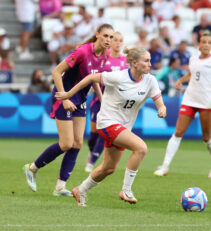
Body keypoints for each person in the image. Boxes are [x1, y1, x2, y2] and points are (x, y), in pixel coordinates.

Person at [55, 46, 167, 206]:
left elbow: (159, 103)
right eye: (146, 60)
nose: (150, 64)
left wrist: (162, 109)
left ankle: (80, 190)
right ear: (134, 63)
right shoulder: (118, 76)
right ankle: (126, 190)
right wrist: (68, 94)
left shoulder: (151, 80)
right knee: (141, 148)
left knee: (108, 168)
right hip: (107, 123)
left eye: (150, 61)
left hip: (122, 127)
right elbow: (90, 78)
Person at [23, 24, 114, 196]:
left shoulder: (105, 54)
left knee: (78, 143)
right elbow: (56, 72)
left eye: (111, 37)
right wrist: (64, 98)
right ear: (97, 35)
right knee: (66, 143)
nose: (108, 40)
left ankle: (59, 187)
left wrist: (103, 102)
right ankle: (32, 168)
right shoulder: (82, 52)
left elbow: (93, 78)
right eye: (106, 36)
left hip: (80, 99)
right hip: (63, 96)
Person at [154, 33, 211, 178]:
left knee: (206, 137)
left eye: (209, 42)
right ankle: (165, 166)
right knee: (178, 133)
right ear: (199, 45)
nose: (206, 44)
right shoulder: (193, 59)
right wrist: (181, 80)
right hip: (189, 99)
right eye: (204, 42)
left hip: (206, 103)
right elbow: (192, 74)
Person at [85, 32, 128, 173]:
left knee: (104, 133)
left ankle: (91, 162)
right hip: (99, 101)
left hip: (114, 104)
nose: (117, 43)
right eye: (115, 39)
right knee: (93, 136)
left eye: (120, 40)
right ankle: (92, 153)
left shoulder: (125, 61)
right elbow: (94, 77)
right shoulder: (104, 58)